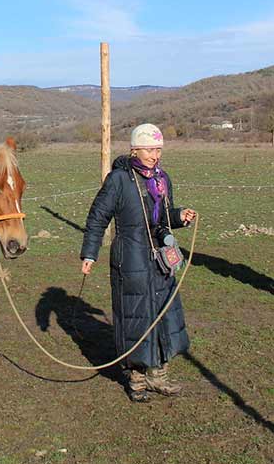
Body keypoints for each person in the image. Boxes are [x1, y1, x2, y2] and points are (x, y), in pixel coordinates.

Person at [80, 123, 197, 402]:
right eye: (149, 149)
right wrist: (89, 253)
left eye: (158, 149)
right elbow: (97, 218)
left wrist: (180, 216)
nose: (154, 155)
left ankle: (159, 375)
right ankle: (137, 379)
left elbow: (163, 216)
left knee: (163, 313)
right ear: (135, 149)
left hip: (160, 258)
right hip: (130, 257)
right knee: (136, 318)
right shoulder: (119, 180)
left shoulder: (162, 179)